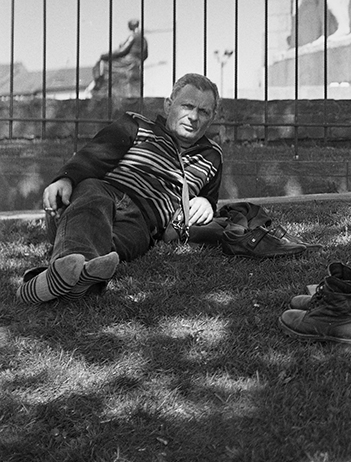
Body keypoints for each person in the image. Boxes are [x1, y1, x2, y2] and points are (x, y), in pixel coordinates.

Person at [18, 73, 223, 304]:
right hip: (104, 194)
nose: (194, 117)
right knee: (92, 198)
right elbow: (94, 155)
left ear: (213, 117)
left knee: (109, 247)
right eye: (187, 106)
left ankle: (58, 282)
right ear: (168, 105)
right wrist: (65, 179)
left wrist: (206, 202)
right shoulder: (136, 124)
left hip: (144, 223)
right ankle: (72, 269)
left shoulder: (212, 156)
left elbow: (210, 198)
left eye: (204, 111)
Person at [89, 18, 148, 98]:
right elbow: (145, 55)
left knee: (103, 63)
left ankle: (100, 89)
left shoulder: (133, 36)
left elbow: (122, 51)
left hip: (128, 61)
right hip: (135, 62)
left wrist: (106, 55)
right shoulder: (143, 39)